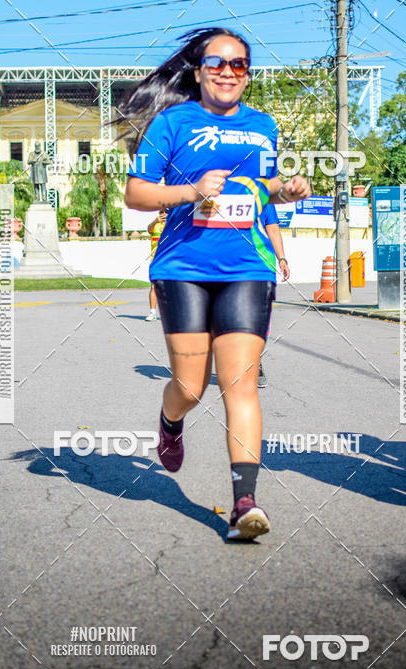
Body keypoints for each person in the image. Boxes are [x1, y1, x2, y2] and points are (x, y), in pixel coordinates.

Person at [122, 27, 310, 539]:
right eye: (218, 63)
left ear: (248, 73)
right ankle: (170, 420)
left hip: (247, 268)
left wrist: (285, 197)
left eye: (240, 64)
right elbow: (135, 195)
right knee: (190, 386)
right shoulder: (171, 122)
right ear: (199, 70)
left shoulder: (263, 126)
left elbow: (260, 192)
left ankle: (244, 502)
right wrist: (188, 190)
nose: (228, 72)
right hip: (183, 268)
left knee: (240, 383)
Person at [258, 203, 290, 388]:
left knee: (262, 320)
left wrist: (282, 259)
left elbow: (273, 229)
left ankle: (255, 361)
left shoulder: (264, 197)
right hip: (229, 265)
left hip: (262, 265)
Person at [146, 210, 167, 320]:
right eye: (161, 212)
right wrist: (155, 221)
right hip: (156, 260)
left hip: (170, 261)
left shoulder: (173, 225)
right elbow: (149, 229)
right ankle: (152, 312)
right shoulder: (155, 225)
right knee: (154, 287)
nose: (164, 214)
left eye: (166, 211)